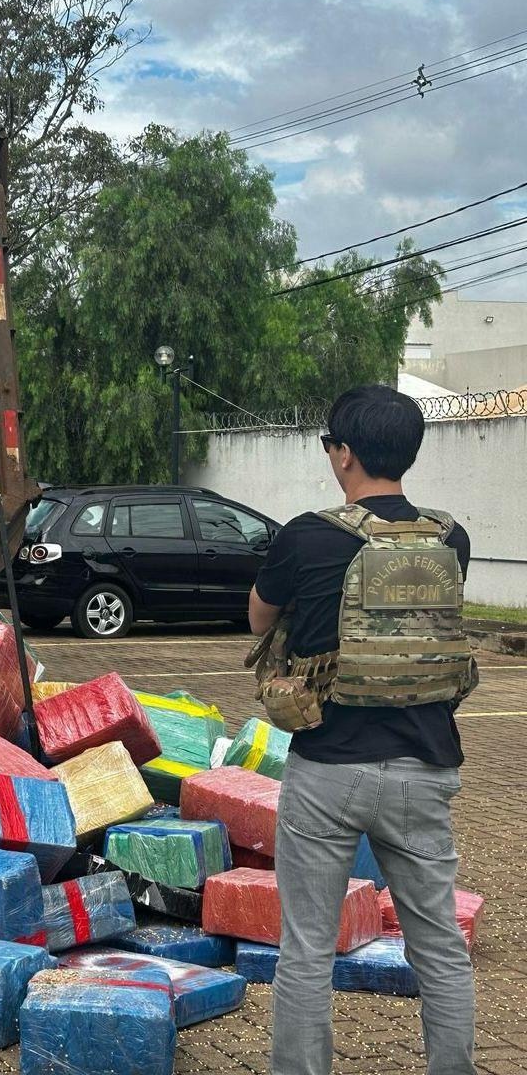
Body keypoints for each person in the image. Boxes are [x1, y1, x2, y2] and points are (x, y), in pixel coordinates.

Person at [249, 384, 476, 1075]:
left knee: (307, 950)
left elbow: (259, 618)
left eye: (330, 445)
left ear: (344, 454)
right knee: (439, 948)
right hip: (424, 766)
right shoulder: (451, 539)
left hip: (326, 766)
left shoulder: (307, 534)